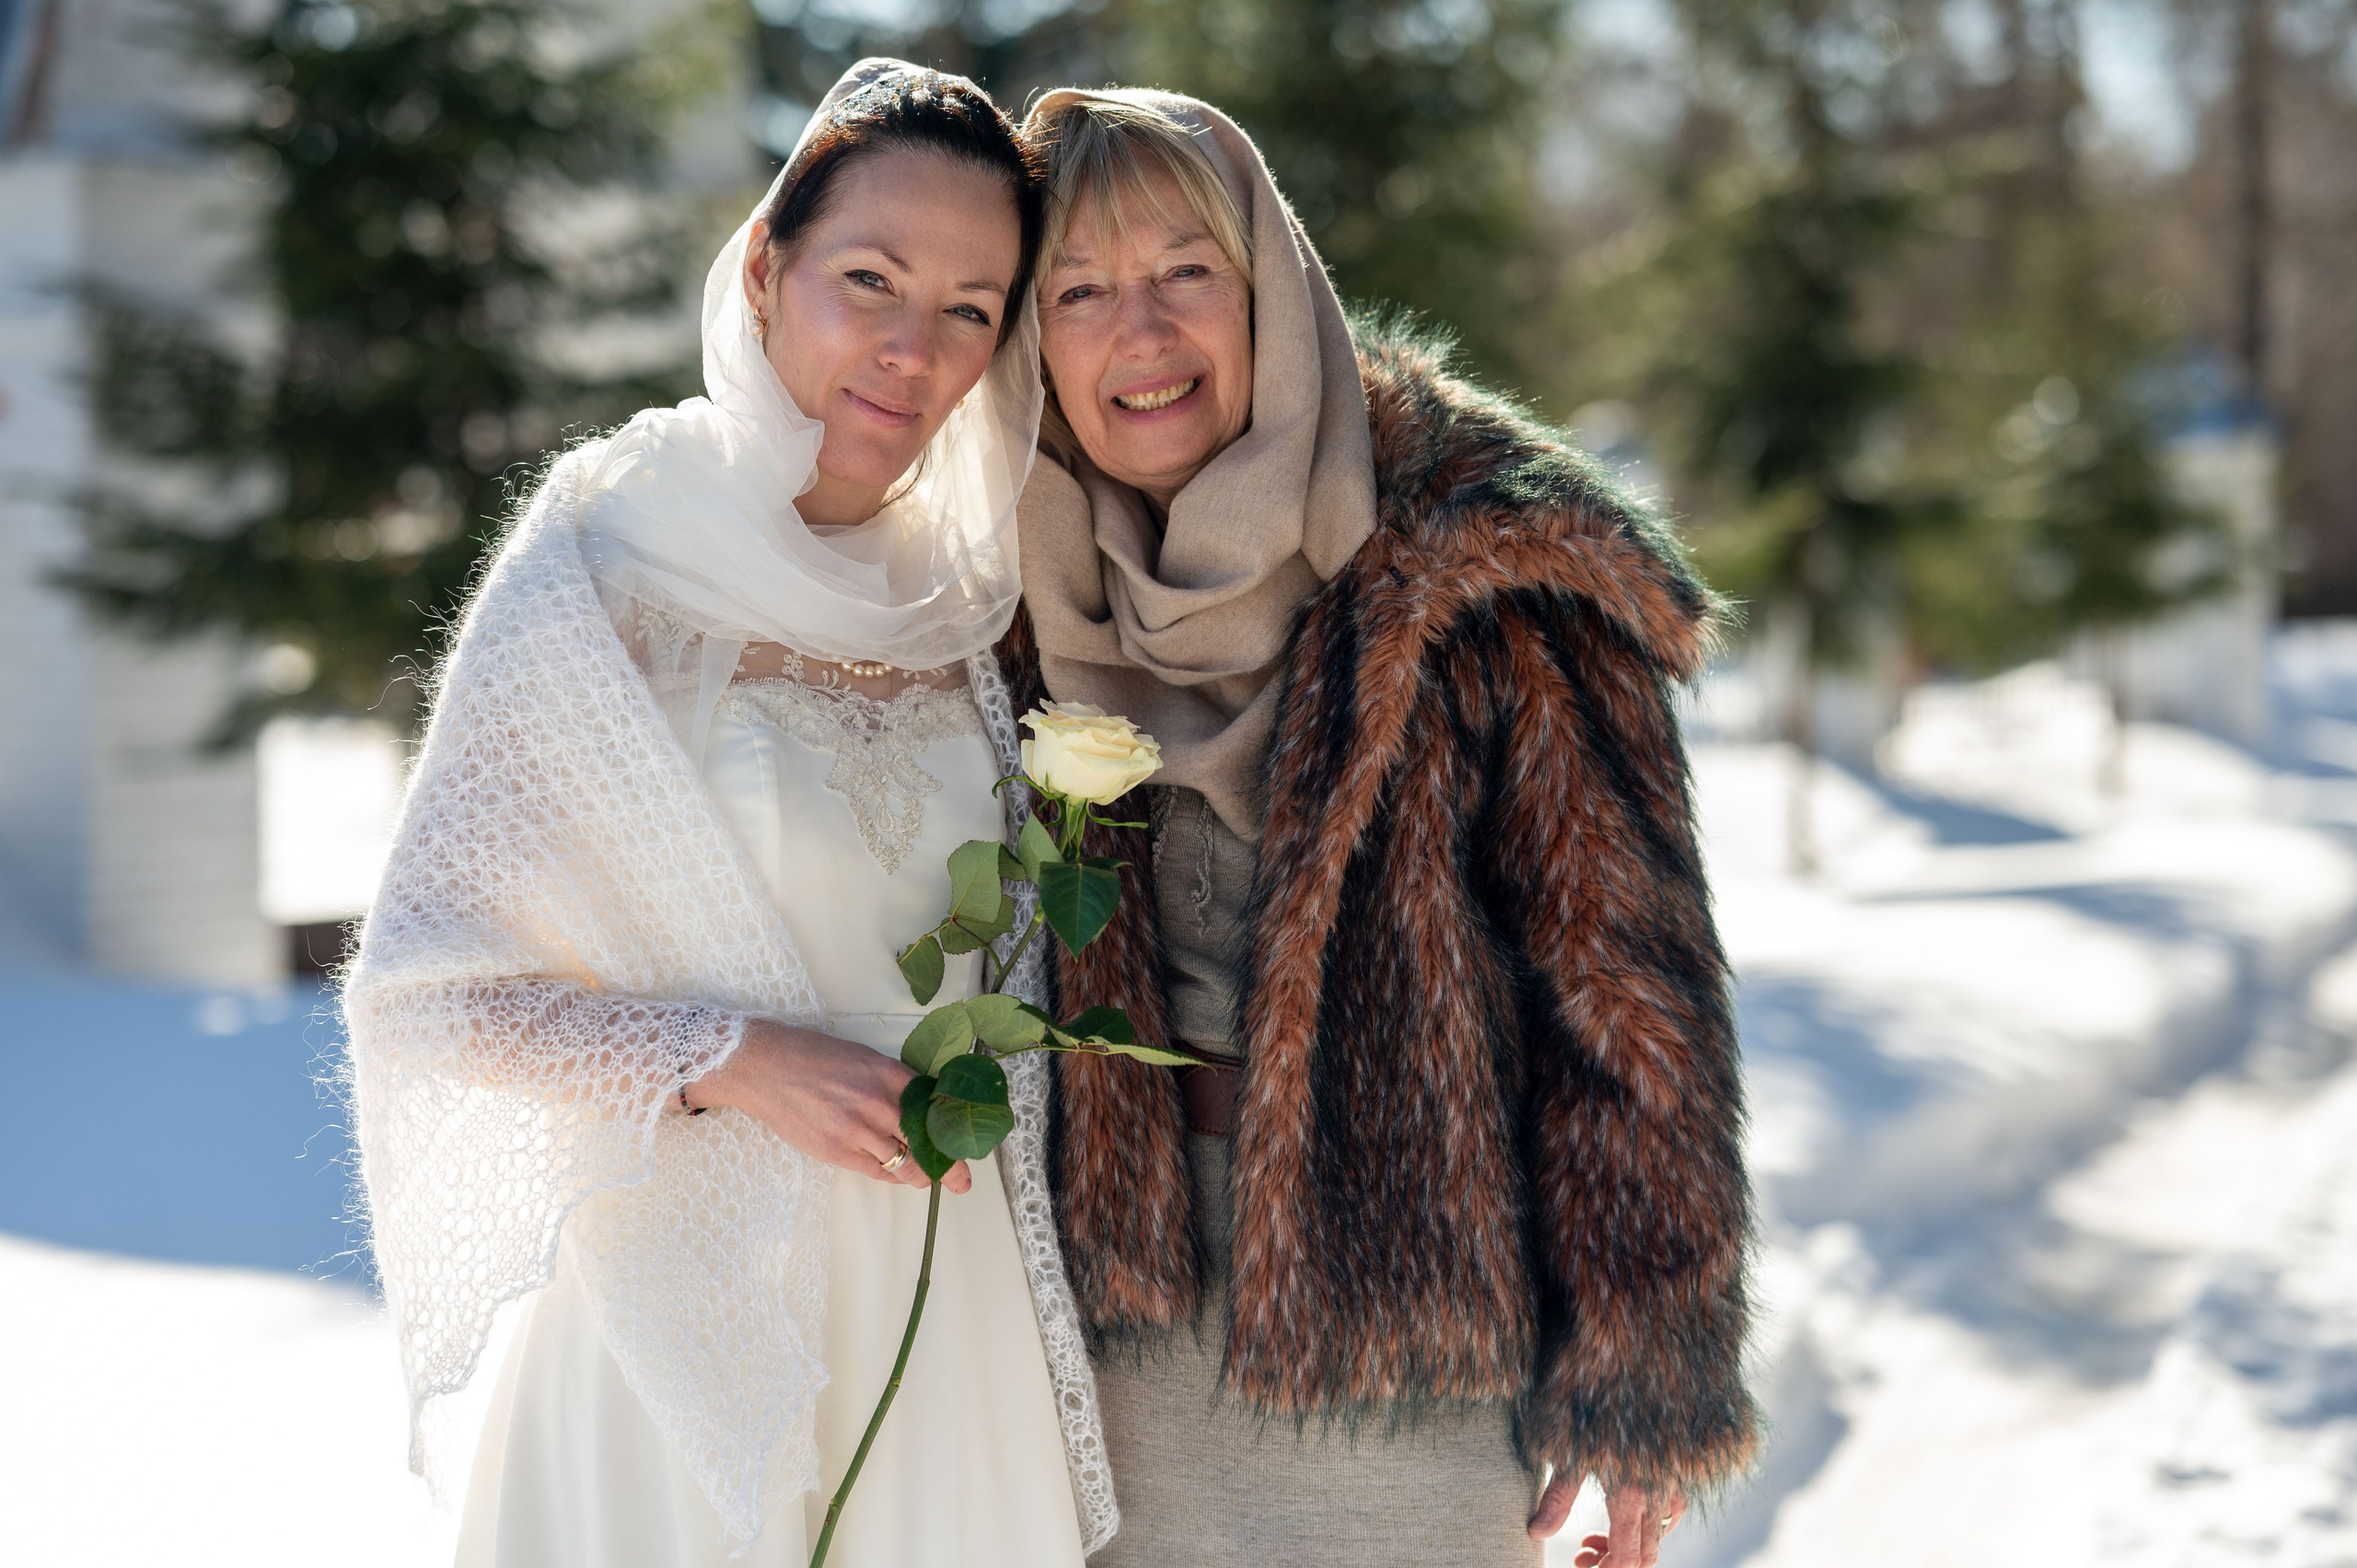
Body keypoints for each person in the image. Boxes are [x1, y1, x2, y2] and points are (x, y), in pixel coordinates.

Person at [343, 62, 1115, 1568]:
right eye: (869, 280)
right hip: (676, 1319)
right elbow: (427, 998)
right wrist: (730, 1060)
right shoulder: (606, 557)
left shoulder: (978, 597)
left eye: (971, 307)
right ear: (768, 269)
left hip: (946, 1311)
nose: (912, 348)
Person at [996, 89, 1758, 1568]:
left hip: (1405, 1350)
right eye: (1078, 292)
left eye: (1184, 273)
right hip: (1085, 1351)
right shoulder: (999, 577)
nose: (1136, 335)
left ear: (1270, 282)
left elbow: (1630, 999)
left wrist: (1644, 1369)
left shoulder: (1486, 559)